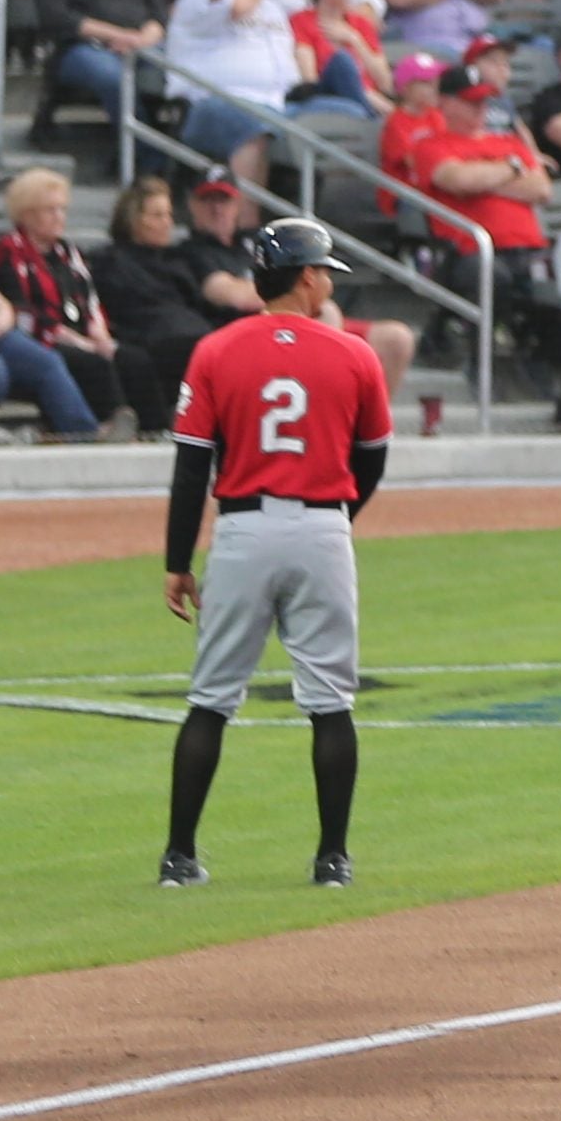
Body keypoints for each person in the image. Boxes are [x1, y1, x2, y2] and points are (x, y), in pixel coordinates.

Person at [156, 212, 390, 890]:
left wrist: (177, 559)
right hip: (322, 529)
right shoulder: (354, 355)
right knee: (329, 701)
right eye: (324, 273)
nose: (327, 285)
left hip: (241, 530)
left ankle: (179, 855)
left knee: (210, 699)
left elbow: (190, 466)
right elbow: (372, 459)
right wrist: (338, 515)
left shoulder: (216, 350)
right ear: (308, 276)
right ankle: (332, 859)